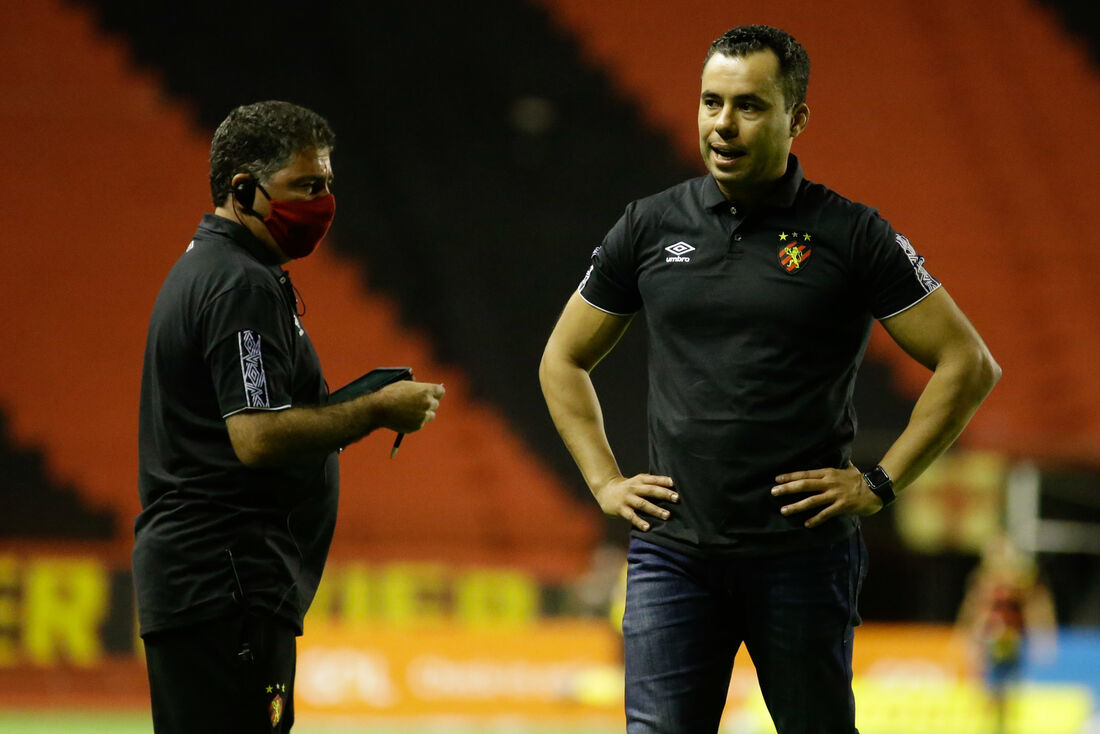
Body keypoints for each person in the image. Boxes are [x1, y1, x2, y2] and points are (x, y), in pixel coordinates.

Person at [539, 25, 1000, 734]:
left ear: (797, 118)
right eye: (710, 103)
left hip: (802, 560)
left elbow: (968, 364)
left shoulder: (852, 234)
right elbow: (561, 360)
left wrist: (880, 484)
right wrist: (604, 481)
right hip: (675, 554)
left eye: (749, 106)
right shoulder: (650, 226)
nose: (723, 125)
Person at [135, 100, 445, 733]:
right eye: (307, 186)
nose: (324, 203)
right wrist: (375, 410)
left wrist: (358, 398)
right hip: (226, 586)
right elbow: (255, 436)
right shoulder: (238, 284)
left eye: (328, 185)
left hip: (212, 587)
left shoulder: (216, 272)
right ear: (243, 190)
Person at [957, 534, 1057, 734]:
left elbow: (1036, 606)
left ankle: (1005, 725)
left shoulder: (1022, 580)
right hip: (990, 639)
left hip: (1012, 638)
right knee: (988, 686)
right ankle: (991, 724)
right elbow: (974, 608)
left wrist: (1043, 635)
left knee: (1010, 686)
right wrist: (969, 636)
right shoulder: (983, 581)